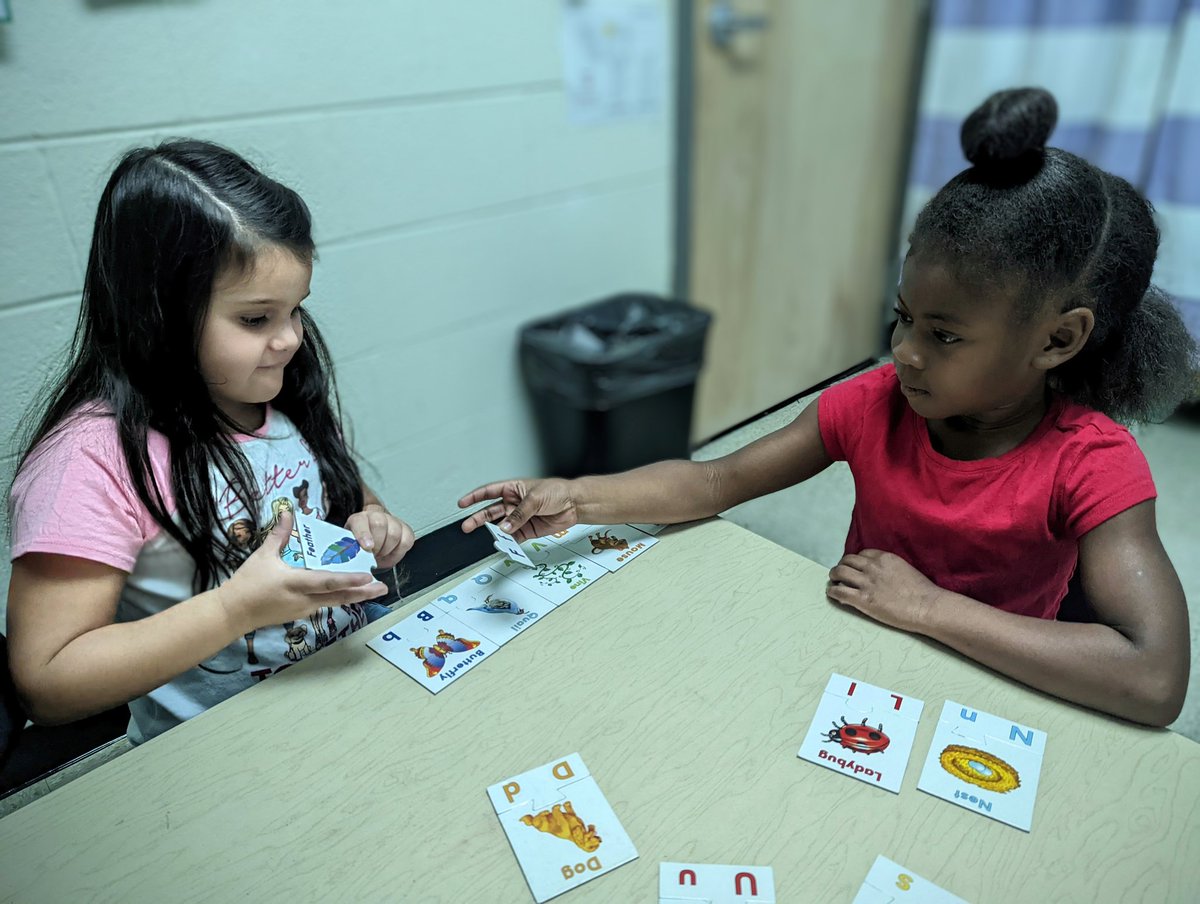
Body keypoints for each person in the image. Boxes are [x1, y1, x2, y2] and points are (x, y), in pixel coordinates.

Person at [459, 88, 1197, 727]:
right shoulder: (873, 404)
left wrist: (928, 608)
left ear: (1058, 340)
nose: (905, 351)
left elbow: (1154, 678)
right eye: (904, 317)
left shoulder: (1093, 464)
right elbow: (716, 482)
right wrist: (576, 495)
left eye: (943, 335)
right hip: (855, 655)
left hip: (999, 684)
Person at [6, 139, 414, 743]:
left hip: (344, 682)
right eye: (255, 319)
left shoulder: (269, 384)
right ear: (159, 315)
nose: (291, 340)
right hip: (223, 744)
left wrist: (372, 523)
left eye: (296, 310)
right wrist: (235, 609)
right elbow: (49, 682)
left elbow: (341, 496)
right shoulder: (89, 460)